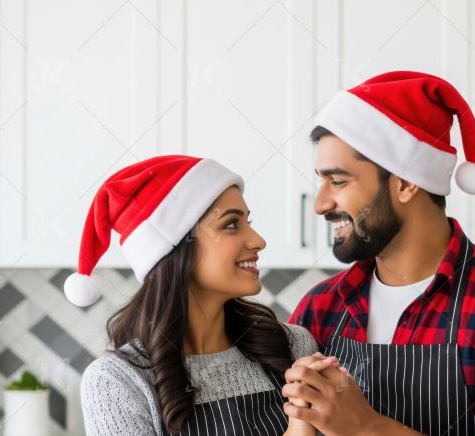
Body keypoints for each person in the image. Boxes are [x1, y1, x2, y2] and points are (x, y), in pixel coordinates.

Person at [284, 71, 475, 435]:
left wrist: (365, 427)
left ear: (407, 182)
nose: (321, 203)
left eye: (339, 181)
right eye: (321, 181)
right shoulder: (321, 308)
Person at [68, 155, 333, 435]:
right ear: (177, 247)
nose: (258, 241)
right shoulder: (117, 382)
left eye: (248, 222)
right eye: (231, 224)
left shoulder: (293, 346)